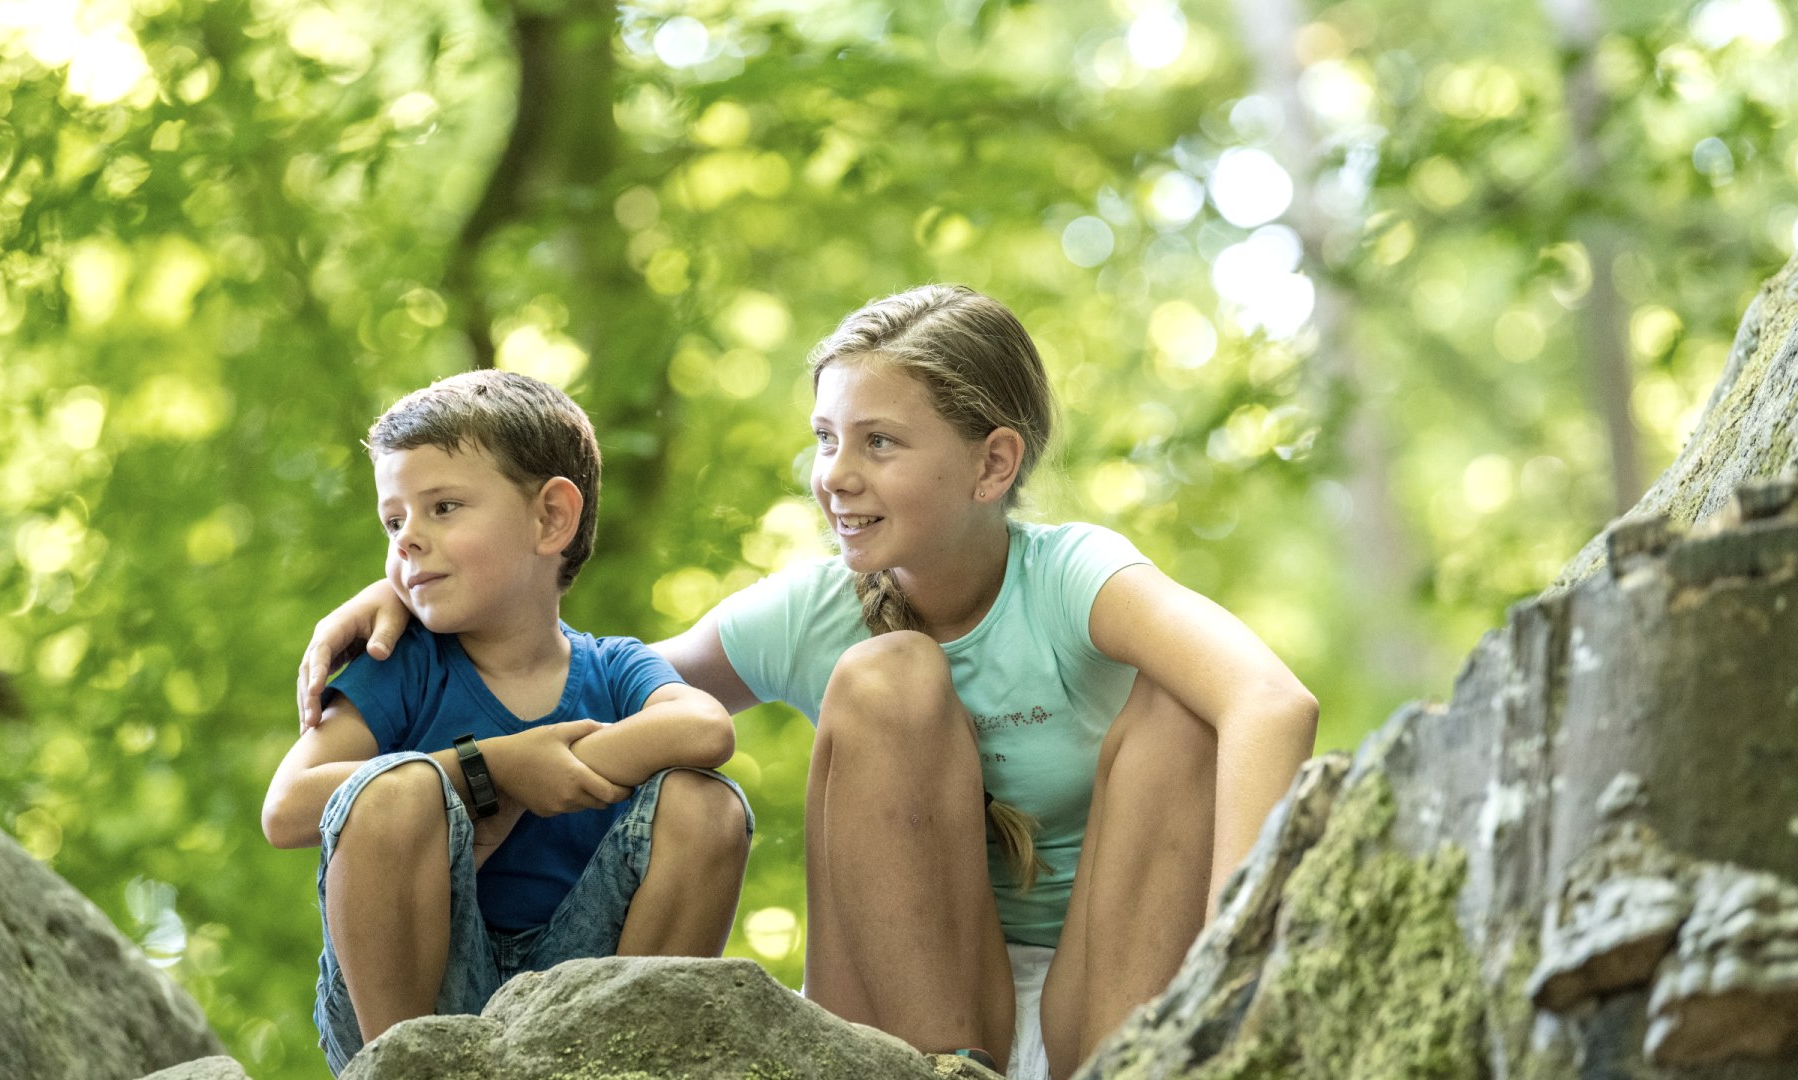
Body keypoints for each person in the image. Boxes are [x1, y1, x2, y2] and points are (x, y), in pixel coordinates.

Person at [295, 286, 1317, 1079]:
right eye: (827, 438)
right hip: (913, 1010)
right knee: (887, 677)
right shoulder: (814, 609)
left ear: (993, 464)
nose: (835, 471)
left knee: (1185, 705)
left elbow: (1273, 703)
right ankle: (935, 1073)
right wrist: (415, 591)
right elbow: (571, 678)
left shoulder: (1073, 578)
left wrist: (1243, 955)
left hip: (1110, 994)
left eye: (879, 441)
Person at [263, 370, 753, 1074]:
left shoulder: (613, 667)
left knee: (705, 805)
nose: (407, 541)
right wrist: (492, 771)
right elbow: (286, 809)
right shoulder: (402, 664)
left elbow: (706, 730)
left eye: (443, 507)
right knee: (395, 791)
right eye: (393, 520)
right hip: (418, 1002)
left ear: (551, 517)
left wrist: (559, 768)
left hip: (581, 999)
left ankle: (631, 1065)